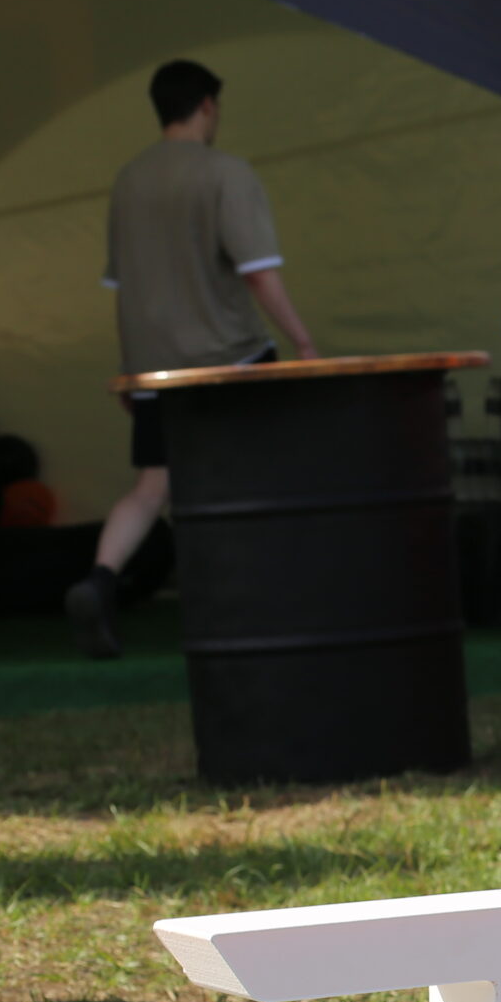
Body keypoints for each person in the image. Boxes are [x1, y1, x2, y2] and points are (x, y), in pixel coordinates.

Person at [67, 59, 317, 658]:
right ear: (207, 105)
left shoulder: (129, 181)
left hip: (154, 367)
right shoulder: (226, 173)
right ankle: (257, 600)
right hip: (232, 358)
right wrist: (303, 342)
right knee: (263, 474)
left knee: (152, 488)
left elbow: (125, 289)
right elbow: (259, 276)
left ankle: (100, 580)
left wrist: (131, 371)